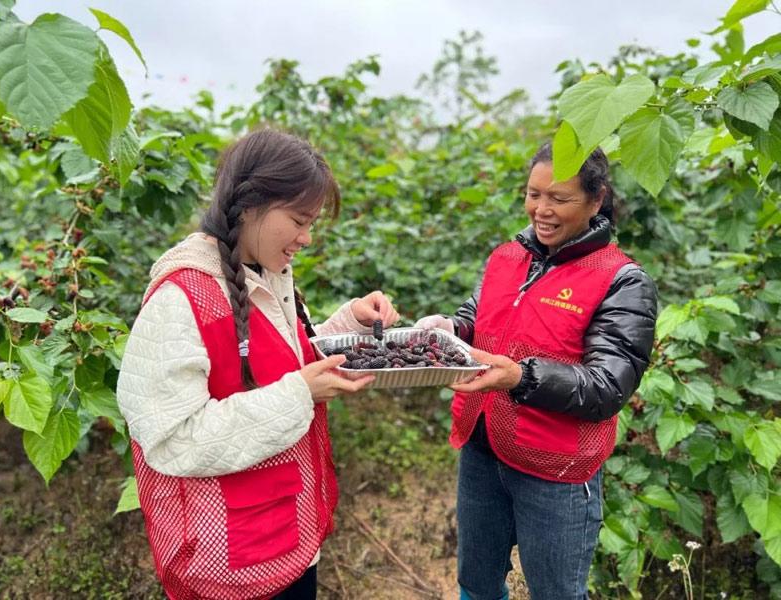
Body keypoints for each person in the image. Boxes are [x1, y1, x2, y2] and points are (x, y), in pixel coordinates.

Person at [116, 128, 399, 600]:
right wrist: (299, 394)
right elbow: (173, 440)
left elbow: (275, 364)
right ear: (249, 204)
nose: (306, 238)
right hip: (228, 560)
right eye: (299, 220)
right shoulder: (181, 297)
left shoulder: (266, 273)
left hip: (285, 537)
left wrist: (349, 320)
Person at [415, 142, 657, 600]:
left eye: (559, 199)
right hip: (483, 451)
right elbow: (481, 315)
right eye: (533, 194)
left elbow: (607, 387)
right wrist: (451, 326)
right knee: (477, 584)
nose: (541, 210)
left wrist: (520, 377)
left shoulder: (622, 280)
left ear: (597, 199)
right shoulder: (509, 256)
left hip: (556, 470)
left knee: (557, 593)